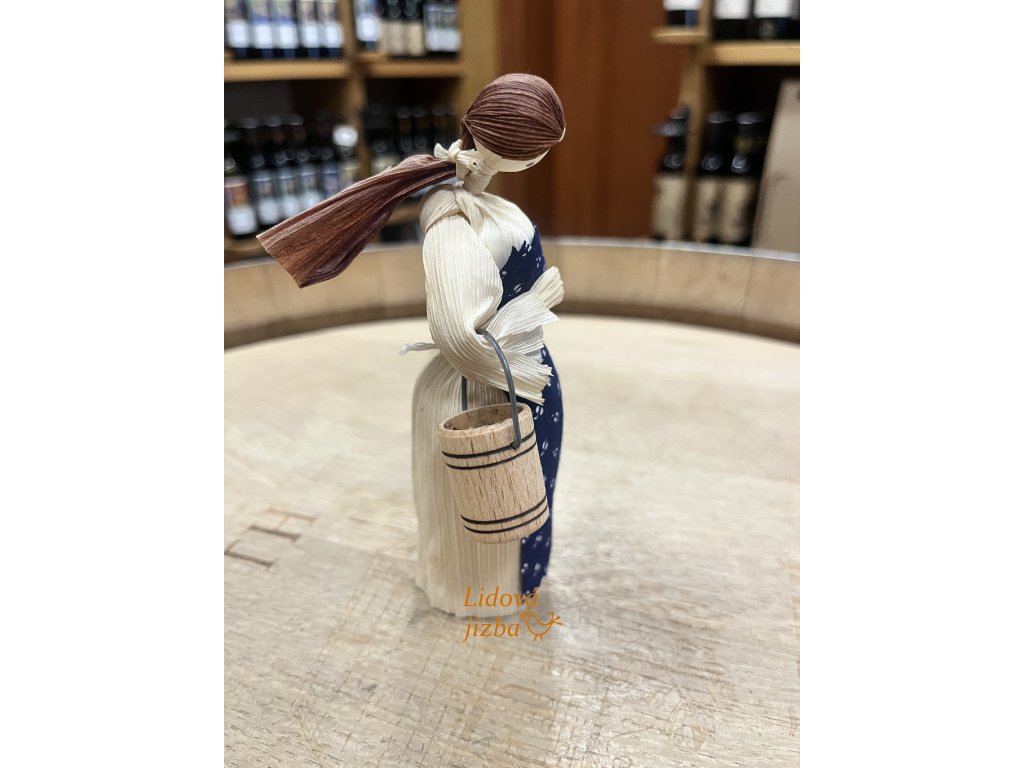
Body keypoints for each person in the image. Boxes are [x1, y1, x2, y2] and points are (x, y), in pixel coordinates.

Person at [259, 73, 566, 617]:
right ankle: (480, 592)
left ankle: (512, 580)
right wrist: (527, 325)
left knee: (525, 490)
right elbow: (456, 332)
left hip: (519, 373)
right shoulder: (456, 218)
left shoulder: (487, 210)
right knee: (485, 498)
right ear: (528, 154)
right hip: (489, 390)